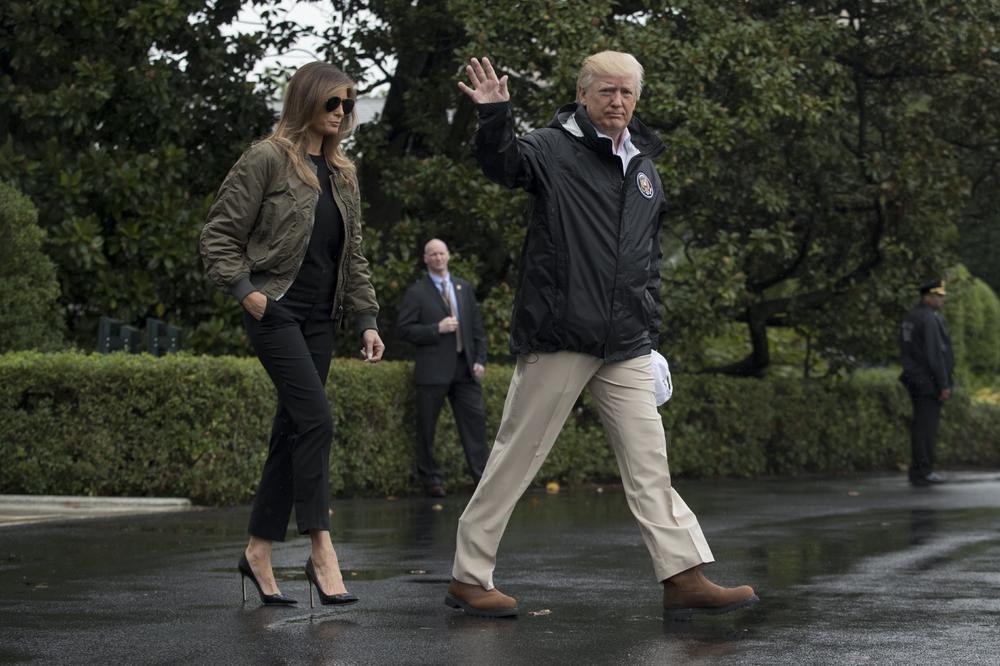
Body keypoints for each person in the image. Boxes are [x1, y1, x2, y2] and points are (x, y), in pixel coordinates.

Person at [444, 53, 758, 619]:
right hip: (561, 334)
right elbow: (501, 164)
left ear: (638, 99)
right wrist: (494, 116)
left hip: (628, 343)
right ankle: (469, 577)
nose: (618, 102)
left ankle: (683, 575)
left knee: (649, 463)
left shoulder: (645, 170)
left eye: (628, 93)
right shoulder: (549, 147)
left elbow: (646, 263)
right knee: (518, 456)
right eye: (608, 91)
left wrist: (651, 334)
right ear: (584, 94)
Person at [200, 61, 385, 607]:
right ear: (306, 101)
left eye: (349, 105)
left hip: (321, 322)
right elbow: (218, 235)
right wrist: (246, 292)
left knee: (293, 430)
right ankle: (321, 549)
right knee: (316, 420)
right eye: (334, 103)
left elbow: (352, 257)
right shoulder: (266, 159)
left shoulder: (344, 175)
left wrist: (368, 318)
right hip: (274, 311)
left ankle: (258, 551)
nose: (343, 113)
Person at [396, 238, 490, 497]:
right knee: (427, 429)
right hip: (433, 371)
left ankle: (483, 480)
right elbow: (403, 330)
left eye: (441, 253)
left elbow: (477, 330)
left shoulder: (463, 288)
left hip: (464, 369)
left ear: (449, 256)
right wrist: (435, 329)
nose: (438, 258)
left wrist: (480, 360)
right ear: (425, 259)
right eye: (432, 254)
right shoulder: (417, 292)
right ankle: (431, 480)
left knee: (475, 425)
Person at [900, 279, 955, 487]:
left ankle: (919, 468)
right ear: (927, 297)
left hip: (914, 376)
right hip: (928, 380)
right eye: (939, 296)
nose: (943, 299)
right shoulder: (928, 318)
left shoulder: (911, 316)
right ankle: (923, 470)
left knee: (920, 425)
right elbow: (935, 354)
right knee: (926, 427)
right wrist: (943, 384)